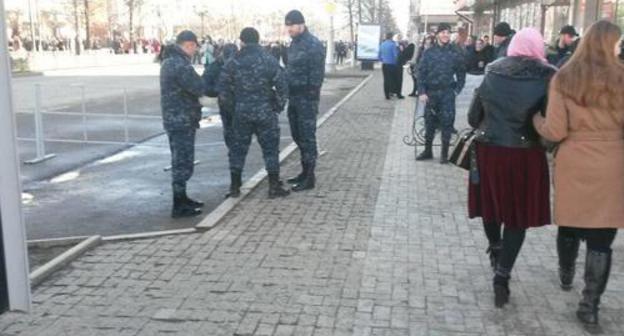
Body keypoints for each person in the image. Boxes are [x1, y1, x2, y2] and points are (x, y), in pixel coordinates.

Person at [533, 20, 624, 327]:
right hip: (612, 164)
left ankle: (566, 272)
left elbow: (555, 130)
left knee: (571, 221)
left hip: (574, 161)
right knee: (602, 238)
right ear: (610, 44)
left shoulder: (564, 77)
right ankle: (590, 306)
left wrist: (535, 121)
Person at [468, 28, 556, 308]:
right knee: (516, 215)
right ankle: (502, 276)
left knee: (490, 205)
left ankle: (495, 248)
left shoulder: (492, 70)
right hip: (525, 154)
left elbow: (473, 117)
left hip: (489, 150)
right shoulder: (549, 75)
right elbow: (550, 121)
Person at [218, 28, 290, 199]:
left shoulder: (233, 61)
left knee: (238, 150)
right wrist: (277, 106)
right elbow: (282, 85)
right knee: (271, 149)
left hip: (241, 113)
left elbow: (223, 90)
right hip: (265, 112)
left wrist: (232, 108)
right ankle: (273, 186)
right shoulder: (268, 60)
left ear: (241, 41)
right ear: (258, 41)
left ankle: (235, 187)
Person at [160, 30, 210, 218]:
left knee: (181, 160)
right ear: (189, 45)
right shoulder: (179, 64)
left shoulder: (170, 61)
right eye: (194, 46)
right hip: (181, 120)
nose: (195, 50)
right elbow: (198, 87)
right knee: (182, 162)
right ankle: (179, 205)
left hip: (176, 119)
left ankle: (182, 199)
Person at [284, 10, 326, 192]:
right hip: (293, 98)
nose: (289, 29)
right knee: (297, 135)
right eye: (287, 25)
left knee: (307, 138)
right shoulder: (294, 44)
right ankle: (304, 171)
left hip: (306, 99)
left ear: (301, 24)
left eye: (291, 25)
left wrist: (309, 96)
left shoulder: (313, 45)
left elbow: (317, 76)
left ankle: (310, 177)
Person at [416, 23, 466, 164]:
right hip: (431, 93)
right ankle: (427, 151)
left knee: (447, 123)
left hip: (447, 93)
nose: (445, 35)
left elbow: (461, 73)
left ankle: (444, 154)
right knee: (429, 122)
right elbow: (421, 73)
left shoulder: (455, 53)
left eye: (448, 32)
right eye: (442, 32)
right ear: (437, 34)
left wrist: (457, 90)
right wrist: (422, 91)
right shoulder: (429, 52)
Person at [202, 43, 239, 155]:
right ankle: (234, 151)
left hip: (238, 104)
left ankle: (235, 152)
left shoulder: (217, 65)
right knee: (230, 130)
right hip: (228, 104)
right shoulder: (216, 66)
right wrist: (218, 91)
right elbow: (205, 85)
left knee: (236, 131)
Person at [379, 32, 402, 99]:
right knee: (395, 80)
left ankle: (387, 95)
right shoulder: (393, 44)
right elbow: (395, 55)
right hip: (392, 65)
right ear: (391, 37)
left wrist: (383, 60)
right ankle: (396, 93)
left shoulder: (382, 44)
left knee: (386, 80)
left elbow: (379, 56)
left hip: (384, 65)